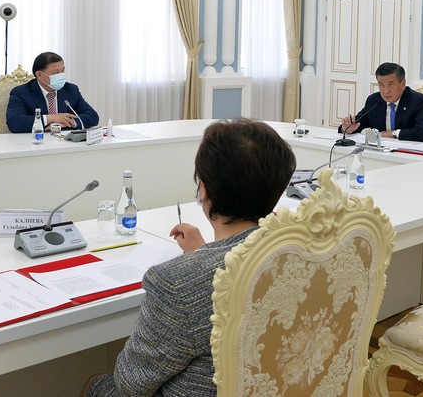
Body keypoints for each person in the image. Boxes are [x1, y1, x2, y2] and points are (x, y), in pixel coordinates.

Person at [83, 118, 296, 397]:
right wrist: (204, 253)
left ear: (204, 190)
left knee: (98, 384)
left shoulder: (175, 283)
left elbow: (131, 383)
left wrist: (198, 265)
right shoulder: (297, 252)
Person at [5, 52, 98, 133]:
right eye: (56, 72)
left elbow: (92, 116)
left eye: (62, 71)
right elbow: (14, 122)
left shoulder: (71, 89)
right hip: (34, 142)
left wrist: (69, 122)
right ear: (39, 75)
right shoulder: (21, 92)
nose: (60, 75)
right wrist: (50, 118)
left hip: (65, 142)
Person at [339, 62, 423, 142]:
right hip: (383, 152)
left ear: (403, 83)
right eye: (381, 85)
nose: (385, 91)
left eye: (390, 84)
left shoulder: (418, 101)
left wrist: (392, 134)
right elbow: (357, 124)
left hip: (413, 154)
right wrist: (347, 128)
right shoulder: (374, 100)